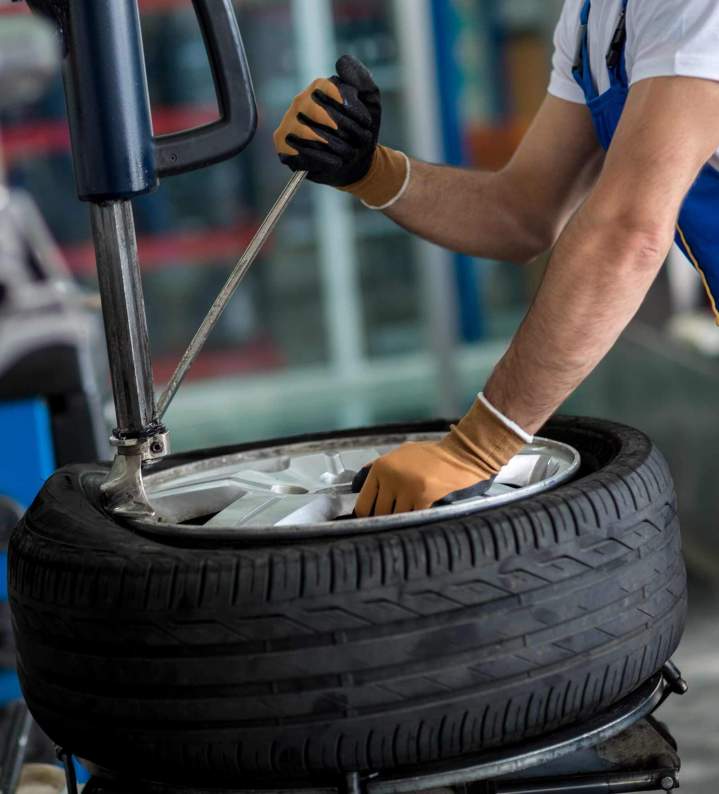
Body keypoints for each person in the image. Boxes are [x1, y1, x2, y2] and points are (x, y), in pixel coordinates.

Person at [273, 0, 719, 517]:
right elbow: (522, 213)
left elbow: (628, 230)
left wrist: (477, 449)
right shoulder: (592, 17)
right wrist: (370, 171)